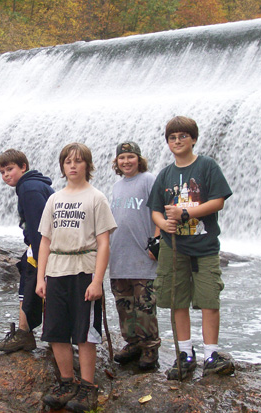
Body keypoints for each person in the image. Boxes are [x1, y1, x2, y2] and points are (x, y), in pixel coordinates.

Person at [147, 116, 234, 380]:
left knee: (209, 301)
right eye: (172, 138)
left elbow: (218, 201)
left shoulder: (207, 166)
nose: (177, 141)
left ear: (193, 139)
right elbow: (155, 210)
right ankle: (185, 353)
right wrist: (164, 224)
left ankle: (211, 354)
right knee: (177, 301)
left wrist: (187, 212)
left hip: (205, 246)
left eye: (183, 137)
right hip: (174, 248)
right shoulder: (165, 174)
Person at [36, 143, 116, 413]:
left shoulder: (96, 198)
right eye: (68, 162)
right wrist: (40, 278)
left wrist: (97, 280)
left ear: (87, 166)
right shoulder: (54, 199)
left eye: (78, 161)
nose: (72, 166)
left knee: (85, 332)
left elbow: (104, 243)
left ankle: (88, 387)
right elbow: (45, 241)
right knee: (56, 330)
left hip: (84, 270)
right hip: (56, 270)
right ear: (62, 167)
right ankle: (67, 383)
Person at [0, 149, 54, 353]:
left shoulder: (28, 189)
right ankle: (31, 333)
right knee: (31, 287)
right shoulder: (36, 184)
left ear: (23, 167)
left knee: (29, 287)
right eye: (2, 172)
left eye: (10, 169)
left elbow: (39, 229)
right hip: (48, 247)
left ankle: (24, 334)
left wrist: (40, 261)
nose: (6, 175)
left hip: (43, 248)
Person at [109, 141, 161, 370]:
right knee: (124, 305)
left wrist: (157, 241)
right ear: (117, 162)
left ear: (139, 159)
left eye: (131, 157)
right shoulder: (116, 186)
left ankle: (150, 348)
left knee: (145, 306)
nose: (126, 161)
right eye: (122, 158)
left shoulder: (148, 180)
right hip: (119, 257)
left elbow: (159, 210)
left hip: (143, 257)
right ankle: (132, 344)